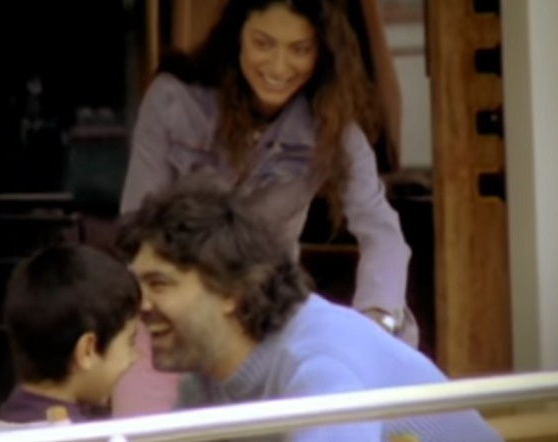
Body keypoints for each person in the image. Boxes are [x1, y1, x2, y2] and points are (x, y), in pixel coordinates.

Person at [117, 0, 415, 415]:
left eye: (300, 49)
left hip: (267, 319)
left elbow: (383, 233)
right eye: (264, 42)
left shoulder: (333, 126)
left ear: (322, 54)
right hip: (174, 319)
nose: (279, 66)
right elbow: (135, 225)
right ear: (237, 33)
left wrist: (375, 323)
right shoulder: (174, 102)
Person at [119, 180, 501, 441]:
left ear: (231, 290)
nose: (142, 306)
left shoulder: (319, 365)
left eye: (159, 284)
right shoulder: (206, 380)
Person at [0, 244, 140, 423]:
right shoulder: (85, 436)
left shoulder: (1, 420)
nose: (134, 357)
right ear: (87, 351)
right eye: (130, 341)